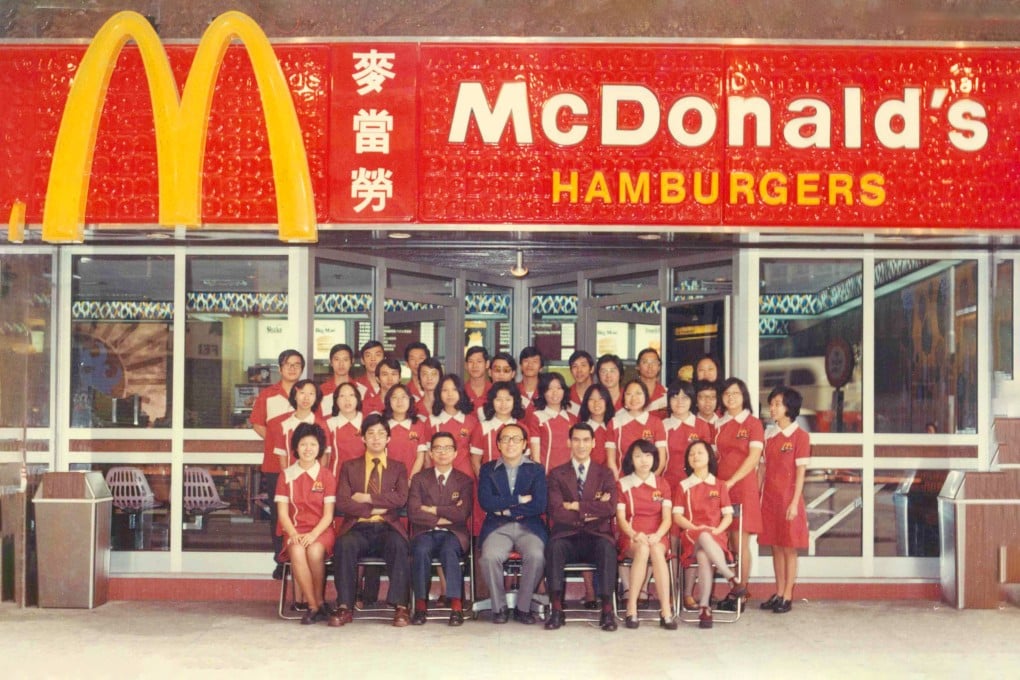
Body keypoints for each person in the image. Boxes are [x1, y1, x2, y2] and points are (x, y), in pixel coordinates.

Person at [329, 415, 412, 627]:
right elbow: (344, 502)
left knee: (399, 545)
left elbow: (401, 498)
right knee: (344, 544)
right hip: (358, 527)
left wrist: (366, 497)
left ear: (388, 438)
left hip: (387, 527)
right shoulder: (350, 466)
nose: (376, 438)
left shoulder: (398, 467)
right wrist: (378, 507)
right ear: (363, 438)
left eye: (381, 433)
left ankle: (401, 606)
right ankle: (345, 607)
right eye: (371, 434)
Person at [543, 423, 618, 632]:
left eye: (586, 440)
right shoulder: (556, 474)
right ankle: (556, 610)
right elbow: (556, 511)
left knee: (607, 548)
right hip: (567, 534)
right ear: (569, 443)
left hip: (596, 534)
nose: (581, 445)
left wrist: (575, 505)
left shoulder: (605, 474)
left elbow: (610, 508)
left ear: (594, 443)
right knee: (554, 548)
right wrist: (592, 510)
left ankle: (607, 611)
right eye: (576, 440)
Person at [671, 439, 746, 629]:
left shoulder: (719, 485)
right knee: (703, 535)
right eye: (691, 454)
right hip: (691, 535)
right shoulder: (683, 486)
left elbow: (728, 516)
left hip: (716, 537)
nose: (695, 456)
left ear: (709, 457)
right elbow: (677, 516)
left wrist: (717, 530)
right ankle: (731, 577)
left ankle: (704, 608)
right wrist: (696, 528)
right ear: (687, 460)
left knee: (704, 555)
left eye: (700, 452)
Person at [477, 422, 548, 624]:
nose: (510, 443)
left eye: (516, 438)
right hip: (498, 527)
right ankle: (498, 608)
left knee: (536, 555)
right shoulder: (488, 469)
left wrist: (505, 509)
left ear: (525, 443)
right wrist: (518, 500)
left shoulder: (536, 470)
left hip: (529, 526)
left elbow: (539, 504)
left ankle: (523, 608)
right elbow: (486, 502)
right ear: (498, 444)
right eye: (505, 438)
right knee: (490, 557)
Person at [407, 432, 474, 626]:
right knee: (420, 551)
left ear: (455, 453)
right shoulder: (419, 479)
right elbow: (414, 512)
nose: (442, 452)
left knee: (449, 550)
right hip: (424, 532)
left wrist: (432, 509)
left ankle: (456, 606)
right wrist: (445, 516)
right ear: (431, 453)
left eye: (447, 448)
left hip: (453, 533)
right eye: (437, 448)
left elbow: (462, 514)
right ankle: (420, 606)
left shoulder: (464, 481)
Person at [250, 349, 305, 579]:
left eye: (297, 365)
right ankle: (281, 560)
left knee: (302, 512)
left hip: (304, 466)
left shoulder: (307, 393)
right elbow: (257, 424)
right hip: (276, 467)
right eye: (288, 364)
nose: (292, 368)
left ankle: (300, 558)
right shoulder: (267, 395)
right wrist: (276, 440)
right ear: (280, 368)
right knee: (278, 516)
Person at [275, 422, 337, 625]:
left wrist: (313, 535)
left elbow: (328, 515)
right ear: (295, 448)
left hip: (321, 530)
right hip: (294, 529)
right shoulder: (286, 475)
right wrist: (293, 534)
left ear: (319, 448)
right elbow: (283, 513)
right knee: (297, 551)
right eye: (303, 444)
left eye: (313, 444)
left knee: (314, 551)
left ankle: (318, 601)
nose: (308, 449)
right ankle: (314, 606)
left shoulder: (327, 475)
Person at [714, 377, 764, 611]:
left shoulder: (753, 423)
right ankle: (736, 589)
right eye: (726, 393)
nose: (731, 397)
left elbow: (754, 458)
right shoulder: (719, 423)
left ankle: (740, 593)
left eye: (736, 393)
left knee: (741, 541)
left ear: (744, 396)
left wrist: (732, 481)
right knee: (730, 543)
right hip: (722, 489)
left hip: (742, 488)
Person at [615, 440, 677, 629]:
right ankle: (632, 607)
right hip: (632, 536)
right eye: (638, 456)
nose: (644, 460)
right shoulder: (623, 484)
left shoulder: (662, 484)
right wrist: (634, 534)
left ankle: (666, 610)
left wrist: (657, 535)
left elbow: (667, 519)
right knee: (642, 549)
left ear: (655, 458)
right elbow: (621, 519)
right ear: (631, 460)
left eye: (648, 455)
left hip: (657, 536)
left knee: (657, 551)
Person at [759, 385, 810, 614]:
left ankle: (788, 594)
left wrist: (794, 503)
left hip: (789, 499)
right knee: (775, 547)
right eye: (771, 403)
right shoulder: (768, 434)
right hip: (769, 499)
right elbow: (762, 468)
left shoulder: (801, 436)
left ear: (789, 407)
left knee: (789, 548)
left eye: (777, 404)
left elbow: (801, 473)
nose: (773, 408)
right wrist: (758, 495)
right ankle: (778, 591)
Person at [606, 379, 668, 477]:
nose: (634, 398)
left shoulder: (656, 422)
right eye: (629, 394)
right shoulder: (614, 423)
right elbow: (611, 460)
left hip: (649, 482)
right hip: (622, 482)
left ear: (646, 396)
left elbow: (661, 460)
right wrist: (619, 483)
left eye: (638, 393)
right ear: (624, 398)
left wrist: (649, 481)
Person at [661, 380, 714, 492]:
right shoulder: (662, 426)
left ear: (692, 400)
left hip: (696, 485)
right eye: (675, 397)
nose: (680, 402)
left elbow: (707, 460)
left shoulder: (702, 425)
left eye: (685, 397)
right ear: (668, 400)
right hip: (667, 484)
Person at [426, 374, 479, 479]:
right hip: (438, 476)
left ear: (461, 392)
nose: (450, 394)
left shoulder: (471, 421)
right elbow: (427, 456)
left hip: (465, 476)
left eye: (454, 389)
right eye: (445, 390)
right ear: (439, 394)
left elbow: (475, 457)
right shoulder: (432, 421)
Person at [526, 372, 578, 472]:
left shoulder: (572, 418)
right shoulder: (537, 417)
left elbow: (574, 451)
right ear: (543, 392)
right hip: (546, 475)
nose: (555, 393)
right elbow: (535, 456)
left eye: (559, 388)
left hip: (567, 476)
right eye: (549, 389)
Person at [383, 383, 427, 479]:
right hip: (387, 480)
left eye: (404, 397)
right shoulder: (382, 425)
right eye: (394, 397)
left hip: (413, 480)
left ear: (410, 400)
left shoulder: (418, 424)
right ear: (388, 401)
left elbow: (420, 457)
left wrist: (411, 479)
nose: (399, 401)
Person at [325, 382, 365, 478]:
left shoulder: (368, 423)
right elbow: (325, 458)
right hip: (336, 477)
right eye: (342, 396)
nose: (347, 400)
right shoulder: (329, 424)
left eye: (351, 395)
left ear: (358, 399)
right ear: (336, 401)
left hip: (364, 478)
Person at [578, 383, 617, 475]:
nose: (596, 403)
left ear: (607, 401)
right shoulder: (581, 429)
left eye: (601, 399)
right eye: (592, 399)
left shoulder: (616, 427)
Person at [320, 343, 360, 418]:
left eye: (345, 359)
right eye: (337, 359)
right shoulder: (321, 391)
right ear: (330, 362)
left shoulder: (361, 390)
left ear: (352, 361)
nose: (341, 364)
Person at [636, 348, 668, 417]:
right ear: (638, 366)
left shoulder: (668, 394)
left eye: (654, 362)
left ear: (659, 367)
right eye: (645, 362)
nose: (650, 366)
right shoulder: (627, 393)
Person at [356, 340, 385, 414]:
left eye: (377, 355)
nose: (373, 359)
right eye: (368, 355)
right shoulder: (355, 386)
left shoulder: (392, 385)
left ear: (384, 359)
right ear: (362, 360)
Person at [567, 350, 595, 415]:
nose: (579, 370)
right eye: (575, 366)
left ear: (592, 369)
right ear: (571, 371)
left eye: (583, 365)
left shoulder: (601, 394)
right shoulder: (565, 395)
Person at [517, 346, 543, 417]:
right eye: (526, 361)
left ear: (541, 368)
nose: (530, 365)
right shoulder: (513, 390)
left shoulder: (546, 391)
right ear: (520, 366)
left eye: (535, 361)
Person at [464, 346, 492, 410]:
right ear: (466, 365)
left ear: (487, 364)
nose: (475, 365)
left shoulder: (494, 390)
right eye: (471, 361)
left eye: (479, 361)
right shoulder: (461, 391)